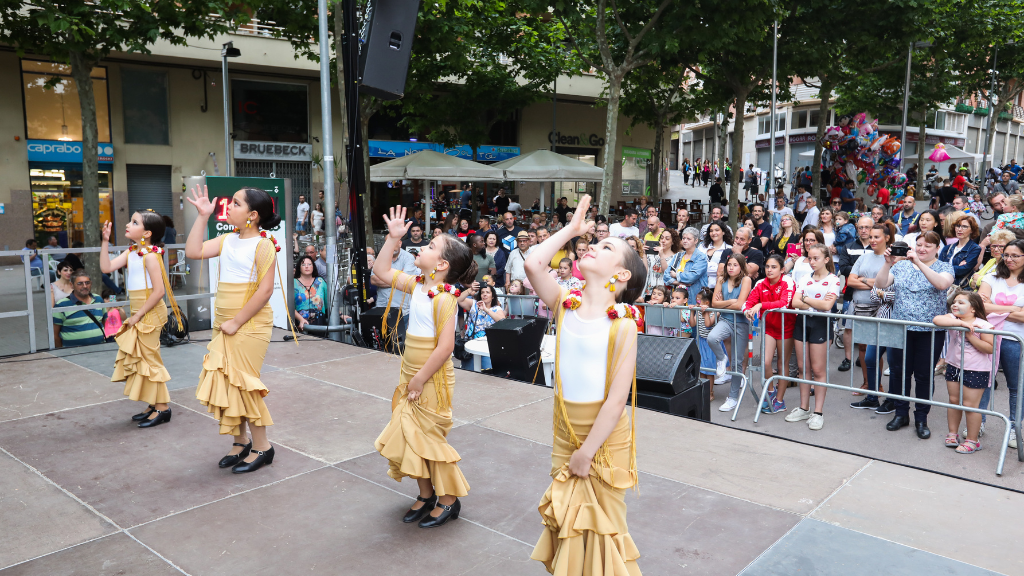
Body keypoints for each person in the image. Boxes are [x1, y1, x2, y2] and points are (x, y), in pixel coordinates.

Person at [525, 193, 643, 575]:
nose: (592, 245)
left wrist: (588, 452)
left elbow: (615, 401)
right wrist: (570, 230)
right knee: (567, 521)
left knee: (602, 525)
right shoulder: (565, 303)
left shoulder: (623, 325)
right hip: (565, 427)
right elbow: (533, 262)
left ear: (621, 275)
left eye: (606, 246)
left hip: (603, 437)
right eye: (593, 241)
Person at [372, 206, 476, 527]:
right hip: (412, 372)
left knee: (427, 437)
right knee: (408, 433)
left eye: (431, 247)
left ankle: (448, 500)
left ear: (442, 265)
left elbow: (445, 348)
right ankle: (425, 492)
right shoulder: (417, 284)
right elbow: (381, 271)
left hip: (429, 377)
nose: (423, 247)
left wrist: (419, 379)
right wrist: (393, 239)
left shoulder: (444, 298)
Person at [186, 185, 286, 473]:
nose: (228, 207)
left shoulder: (264, 244)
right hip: (226, 322)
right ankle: (240, 441)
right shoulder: (227, 239)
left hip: (249, 323)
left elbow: (265, 291)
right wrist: (203, 216)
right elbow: (193, 251)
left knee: (244, 383)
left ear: (253, 215)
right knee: (226, 382)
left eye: (236, 203)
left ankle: (263, 447)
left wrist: (236, 321)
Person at [100, 210, 183, 428]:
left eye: (134, 222)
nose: (128, 224)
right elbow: (106, 268)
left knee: (149, 359)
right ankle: (154, 403)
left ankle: (163, 408)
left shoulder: (150, 256)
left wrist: (137, 315)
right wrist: (105, 241)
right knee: (143, 359)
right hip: (140, 311)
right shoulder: (132, 252)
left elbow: (158, 292)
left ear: (146, 233)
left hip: (149, 312)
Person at [874, 231, 955, 439]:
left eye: (928, 245)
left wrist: (919, 262)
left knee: (923, 375)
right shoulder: (901, 266)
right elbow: (881, 284)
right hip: (902, 328)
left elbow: (941, 284)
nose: (922, 248)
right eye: (919, 244)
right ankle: (901, 414)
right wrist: (887, 263)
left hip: (930, 331)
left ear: (938, 248)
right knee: (900, 373)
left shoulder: (944, 267)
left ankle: (921, 418)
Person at [786, 243, 840, 431]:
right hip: (802, 323)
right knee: (803, 368)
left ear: (826, 259)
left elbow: (827, 306)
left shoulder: (833, 279)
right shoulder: (804, 278)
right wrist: (813, 304)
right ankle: (803, 408)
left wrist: (806, 300)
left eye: (816, 258)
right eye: (809, 258)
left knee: (818, 370)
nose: (812, 262)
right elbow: (794, 302)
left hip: (820, 325)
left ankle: (818, 412)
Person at [933, 291, 994, 454]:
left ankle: (973, 441)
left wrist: (970, 335)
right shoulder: (954, 320)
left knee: (970, 406)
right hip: (953, 366)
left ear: (973, 308)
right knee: (953, 400)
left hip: (976, 369)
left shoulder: (984, 325)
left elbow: (989, 348)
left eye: (961, 302)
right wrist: (961, 325)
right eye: (954, 302)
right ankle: (952, 434)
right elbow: (936, 320)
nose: (955, 305)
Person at [978, 239, 1024, 448]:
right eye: (1007, 255)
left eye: (1015, 255)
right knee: (983, 382)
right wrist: (1015, 310)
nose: (1009, 259)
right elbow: (979, 306)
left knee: (1016, 387)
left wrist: (995, 308)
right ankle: (977, 422)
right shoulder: (992, 276)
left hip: (1016, 341)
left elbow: (989, 307)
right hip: (988, 337)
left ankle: (1015, 429)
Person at [847, 222, 896, 405]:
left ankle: (878, 386)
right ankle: (867, 383)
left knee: (875, 350)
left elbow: (885, 284)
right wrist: (873, 282)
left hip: (881, 308)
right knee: (862, 347)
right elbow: (851, 281)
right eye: (871, 236)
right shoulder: (864, 257)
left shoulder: (892, 259)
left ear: (887, 238)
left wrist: (864, 279)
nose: (873, 240)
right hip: (860, 307)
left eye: (877, 237)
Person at [744, 254, 796, 414]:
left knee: (782, 364)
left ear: (782, 270)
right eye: (767, 266)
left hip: (786, 328)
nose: (769, 270)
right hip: (769, 328)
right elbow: (748, 302)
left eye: (773, 267)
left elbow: (785, 303)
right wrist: (747, 311)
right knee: (766, 363)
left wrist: (761, 305)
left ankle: (780, 401)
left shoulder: (788, 281)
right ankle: (771, 391)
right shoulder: (760, 283)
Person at [710, 254, 753, 407]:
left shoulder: (746, 280)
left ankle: (733, 397)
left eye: (735, 265)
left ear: (741, 266)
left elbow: (740, 304)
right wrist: (729, 302)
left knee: (737, 362)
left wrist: (723, 303)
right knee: (712, 337)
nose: (731, 267)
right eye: (729, 264)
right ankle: (722, 359)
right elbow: (714, 303)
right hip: (726, 320)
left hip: (741, 323)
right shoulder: (721, 280)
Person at [836, 216, 875, 371]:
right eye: (861, 227)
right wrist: (866, 277)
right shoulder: (849, 246)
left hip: (873, 296)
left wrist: (855, 273)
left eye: (867, 227)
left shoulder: (877, 247)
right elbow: (843, 268)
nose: (864, 230)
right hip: (851, 294)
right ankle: (847, 358)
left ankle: (864, 356)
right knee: (849, 327)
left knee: (871, 328)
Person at [52, 270, 108, 349]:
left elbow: (104, 322)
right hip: (73, 353)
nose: (85, 286)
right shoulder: (61, 305)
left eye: (87, 283)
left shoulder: (98, 299)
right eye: (80, 283)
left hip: (100, 349)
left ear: (91, 283)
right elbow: (55, 335)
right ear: (71, 285)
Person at [457, 283, 505, 369]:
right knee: (469, 373)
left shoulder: (496, 309)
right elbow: (459, 299)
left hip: (487, 347)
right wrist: (470, 289)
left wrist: (486, 309)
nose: (485, 294)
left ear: (492, 296)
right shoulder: (474, 304)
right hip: (471, 345)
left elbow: (502, 321)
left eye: (487, 292)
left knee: (487, 373)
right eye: (482, 292)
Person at [665, 227, 709, 304]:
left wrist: (676, 275)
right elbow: (666, 275)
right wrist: (679, 283)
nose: (685, 241)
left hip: (694, 299)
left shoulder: (701, 257)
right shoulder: (678, 256)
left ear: (696, 241)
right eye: (684, 238)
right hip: (676, 299)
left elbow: (692, 277)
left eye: (689, 239)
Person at [690, 287, 720, 397]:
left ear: (706, 302)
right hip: (701, 341)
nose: (696, 303)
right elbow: (692, 324)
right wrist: (692, 311)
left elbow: (708, 325)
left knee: (709, 369)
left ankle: (710, 392)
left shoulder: (714, 312)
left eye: (698, 301)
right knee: (701, 367)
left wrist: (705, 312)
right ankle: (703, 389)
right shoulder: (698, 311)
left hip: (711, 343)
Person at [938, 213, 981, 287]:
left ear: (972, 230)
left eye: (964, 227)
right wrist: (957, 266)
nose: (960, 229)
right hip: (945, 285)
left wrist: (946, 267)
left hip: (961, 287)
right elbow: (938, 267)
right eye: (958, 226)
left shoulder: (974, 248)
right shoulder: (947, 248)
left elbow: (963, 270)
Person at [293, 255, 329, 330]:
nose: (306, 267)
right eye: (303, 264)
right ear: (299, 267)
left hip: (320, 326)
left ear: (313, 266)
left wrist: (341, 315)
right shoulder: (293, 283)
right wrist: (301, 319)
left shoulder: (320, 282)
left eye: (309, 264)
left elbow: (329, 303)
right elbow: (289, 307)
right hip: (301, 326)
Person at [702, 221, 733, 287]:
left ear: (723, 232)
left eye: (717, 230)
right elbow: (695, 266)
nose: (713, 233)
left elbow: (725, 270)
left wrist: (703, 266)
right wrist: (716, 265)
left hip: (718, 286)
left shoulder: (729, 249)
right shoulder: (702, 247)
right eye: (711, 231)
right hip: (700, 286)